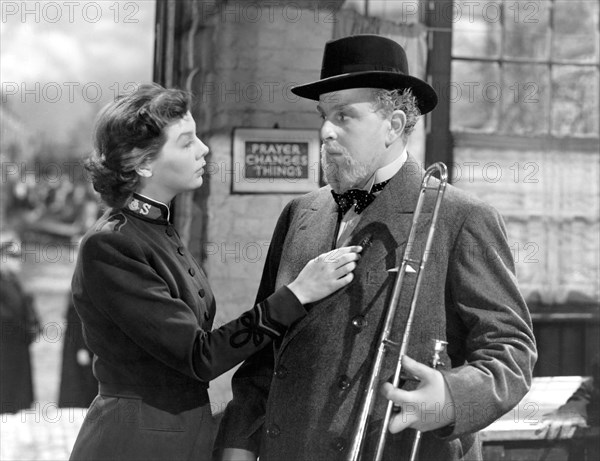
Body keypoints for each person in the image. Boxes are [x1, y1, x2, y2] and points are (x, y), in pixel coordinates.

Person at [214, 35, 537, 461]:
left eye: (345, 116)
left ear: (395, 124)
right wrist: (237, 444)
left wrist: (453, 398)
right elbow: (265, 353)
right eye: (323, 115)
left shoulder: (462, 216)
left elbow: (511, 349)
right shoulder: (299, 213)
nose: (326, 131)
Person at [68, 83, 361, 461]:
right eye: (187, 142)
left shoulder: (155, 229)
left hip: (178, 433)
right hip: (136, 441)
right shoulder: (111, 245)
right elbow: (199, 356)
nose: (204, 148)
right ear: (142, 162)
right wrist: (298, 294)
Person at [0, 229, 39, 414]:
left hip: (18, 345)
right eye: (13, 256)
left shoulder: (14, 281)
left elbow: (25, 307)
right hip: (5, 346)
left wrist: (33, 325)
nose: (18, 261)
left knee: (18, 397)